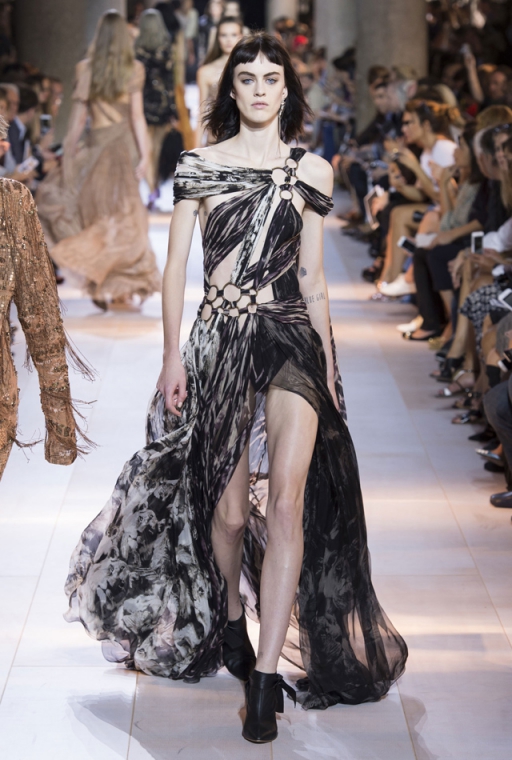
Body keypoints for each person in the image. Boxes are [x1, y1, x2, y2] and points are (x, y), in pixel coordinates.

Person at [64, 32, 407, 745]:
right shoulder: (200, 166)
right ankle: (228, 617)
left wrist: (330, 369)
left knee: (286, 505)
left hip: (289, 338)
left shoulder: (311, 170)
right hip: (219, 339)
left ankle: (265, 680)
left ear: (287, 90)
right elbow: (174, 270)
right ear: (232, 90)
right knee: (226, 515)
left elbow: (312, 279)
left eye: (270, 77)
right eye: (246, 78)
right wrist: (171, 357)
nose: (258, 89)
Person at [36, 10, 161, 311]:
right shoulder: (134, 69)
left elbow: (78, 120)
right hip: (123, 149)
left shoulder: (85, 69)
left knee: (97, 215)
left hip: (95, 149)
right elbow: (137, 117)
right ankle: (117, 285)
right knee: (124, 215)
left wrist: (68, 156)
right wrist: (145, 157)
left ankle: (107, 282)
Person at [0, 114, 92, 479]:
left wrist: (60, 424)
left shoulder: (10, 203)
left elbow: (41, 315)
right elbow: (40, 316)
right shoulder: (10, 202)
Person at [135, 8, 178, 205]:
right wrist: (173, 109)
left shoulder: (137, 52)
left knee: (146, 150)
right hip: (161, 104)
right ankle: (154, 187)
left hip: (142, 103)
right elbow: (170, 82)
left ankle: (152, 188)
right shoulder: (166, 51)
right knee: (157, 148)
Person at [196, 15, 243, 146]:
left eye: (233, 35)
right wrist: (195, 149)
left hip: (245, 138)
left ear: (241, 36)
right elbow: (202, 112)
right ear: (217, 38)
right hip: (216, 138)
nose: (228, 40)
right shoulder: (205, 71)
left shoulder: (251, 68)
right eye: (223, 35)